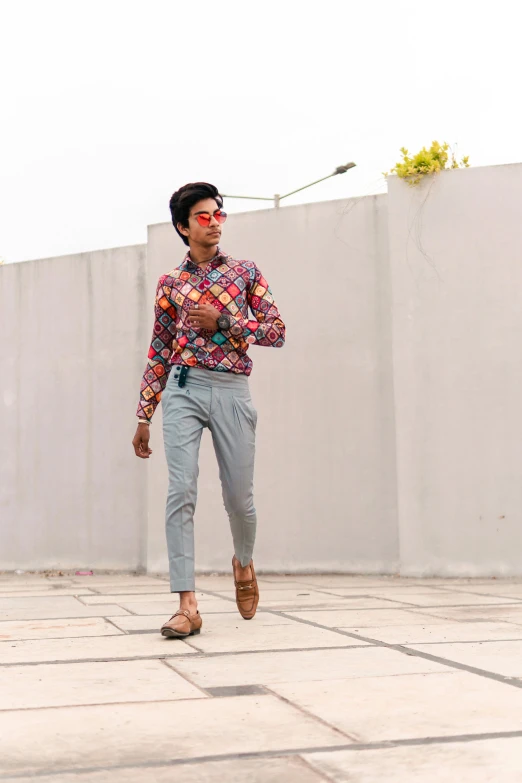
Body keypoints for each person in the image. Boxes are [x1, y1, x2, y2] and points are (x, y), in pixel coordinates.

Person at [132, 182, 286, 638]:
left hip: (233, 390)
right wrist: (144, 413)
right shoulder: (170, 284)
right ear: (183, 227)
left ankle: (243, 562)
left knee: (239, 498)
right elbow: (159, 350)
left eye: (219, 214)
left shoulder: (245, 273)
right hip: (182, 387)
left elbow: (277, 331)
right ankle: (188, 604)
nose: (215, 221)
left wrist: (224, 322)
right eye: (204, 216)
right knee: (180, 490)